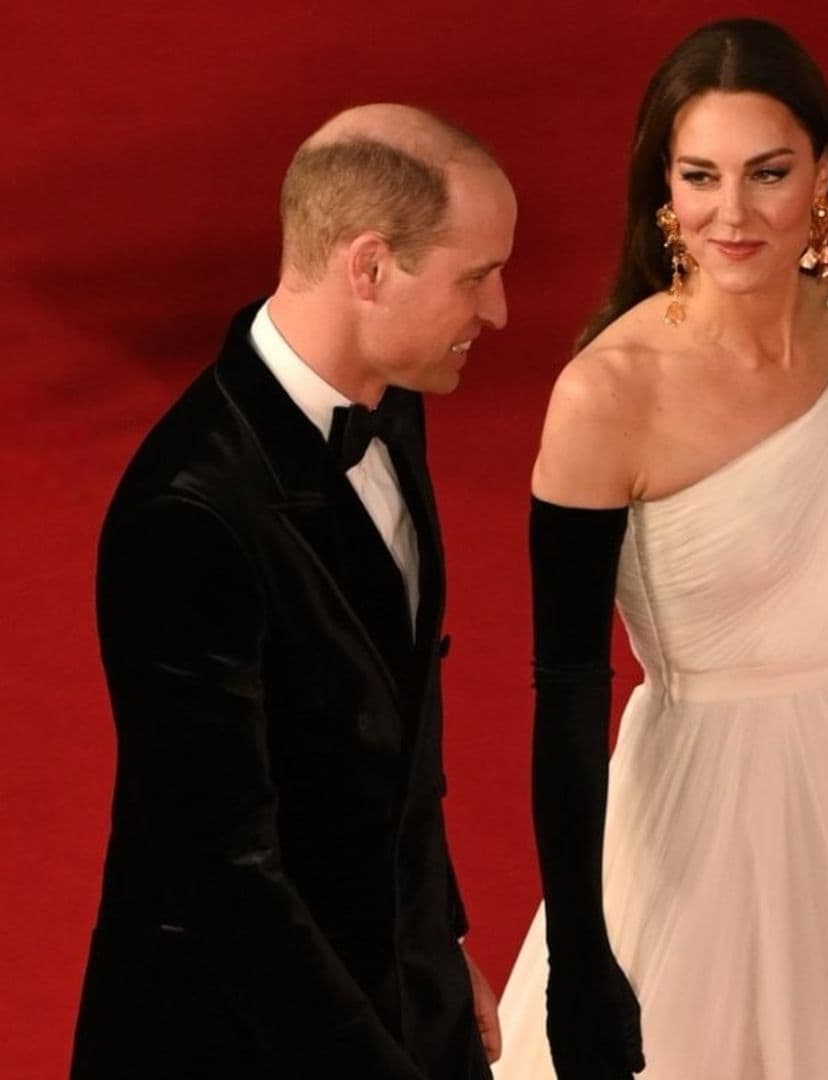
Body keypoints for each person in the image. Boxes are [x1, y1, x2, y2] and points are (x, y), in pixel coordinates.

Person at [495, 19, 828, 1080]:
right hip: (695, 812)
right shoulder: (608, 395)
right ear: (663, 191)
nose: (731, 214)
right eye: (700, 176)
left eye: (768, 173)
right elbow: (567, 686)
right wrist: (582, 959)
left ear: (824, 174)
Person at [70, 103, 516, 1080]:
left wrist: (438, 948)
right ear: (370, 267)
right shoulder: (187, 516)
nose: (498, 313)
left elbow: (386, 755)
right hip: (237, 1041)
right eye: (475, 278)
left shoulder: (393, 404)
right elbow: (229, 883)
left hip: (390, 995)